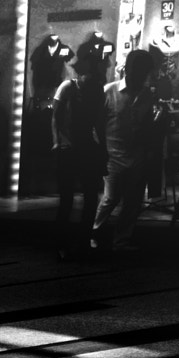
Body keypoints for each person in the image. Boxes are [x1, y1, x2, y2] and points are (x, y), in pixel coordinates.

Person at [92, 48, 160, 252]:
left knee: (133, 201)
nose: (143, 76)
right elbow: (96, 125)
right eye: (141, 71)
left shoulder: (147, 94)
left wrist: (148, 149)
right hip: (112, 155)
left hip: (136, 155)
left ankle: (121, 240)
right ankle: (93, 233)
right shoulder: (109, 91)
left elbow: (147, 123)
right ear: (129, 70)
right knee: (110, 198)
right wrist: (100, 151)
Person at [52, 41, 107, 260]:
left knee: (90, 197)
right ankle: (61, 242)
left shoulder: (96, 89)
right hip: (68, 146)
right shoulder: (67, 87)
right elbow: (55, 117)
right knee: (67, 198)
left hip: (86, 145)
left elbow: (99, 121)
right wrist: (56, 142)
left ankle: (83, 240)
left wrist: (102, 147)